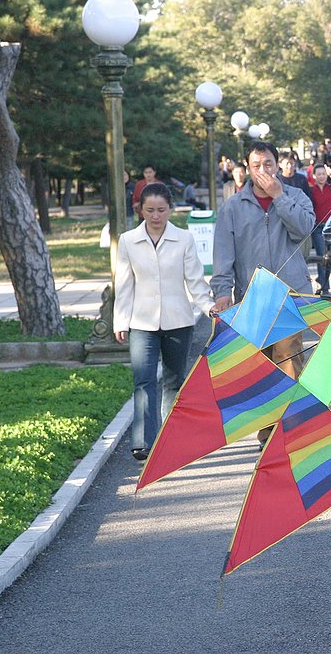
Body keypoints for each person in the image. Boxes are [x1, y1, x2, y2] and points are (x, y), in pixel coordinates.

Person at [210, 142, 315, 447]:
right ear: (247, 168)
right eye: (256, 165)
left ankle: (288, 433)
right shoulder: (233, 207)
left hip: (289, 295)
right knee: (260, 367)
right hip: (252, 297)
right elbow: (223, 254)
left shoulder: (295, 196)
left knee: (289, 360)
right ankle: (268, 432)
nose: (263, 170)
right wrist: (222, 292)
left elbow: (306, 230)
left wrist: (279, 197)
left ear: (277, 165)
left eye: (268, 164)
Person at [114, 182, 214, 461]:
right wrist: (120, 321)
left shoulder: (184, 239)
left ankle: (170, 439)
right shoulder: (128, 241)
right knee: (143, 379)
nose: (155, 216)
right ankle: (143, 442)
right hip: (141, 323)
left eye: (161, 210)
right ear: (140, 210)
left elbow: (195, 281)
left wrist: (208, 308)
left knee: (174, 381)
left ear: (170, 209)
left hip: (178, 321)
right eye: (150, 210)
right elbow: (124, 285)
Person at [308, 163, 331, 294]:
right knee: (321, 256)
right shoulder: (311, 190)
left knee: (330, 257)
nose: (321, 176)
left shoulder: (329, 188)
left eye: (323, 174)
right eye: (319, 174)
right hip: (318, 226)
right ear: (314, 176)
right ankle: (325, 287)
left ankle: (323, 280)